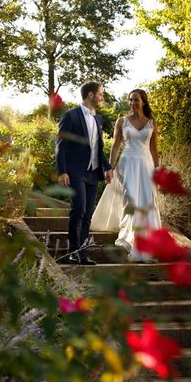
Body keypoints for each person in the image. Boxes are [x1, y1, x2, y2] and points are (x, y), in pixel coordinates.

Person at [90, 88, 161, 262]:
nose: (132, 103)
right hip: (127, 164)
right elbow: (115, 146)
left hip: (146, 166)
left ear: (143, 101)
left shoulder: (152, 123)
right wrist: (110, 168)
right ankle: (129, 240)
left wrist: (158, 169)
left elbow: (153, 149)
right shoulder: (122, 121)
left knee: (146, 203)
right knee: (131, 201)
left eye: (136, 100)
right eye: (130, 100)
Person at [55, 82, 114, 265]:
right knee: (78, 209)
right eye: (100, 94)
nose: (102, 97)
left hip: (92, 173)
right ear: (90, 95)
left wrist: (107, 167)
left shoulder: (98, 119)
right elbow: (61, 146)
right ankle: (71, 252)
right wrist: (62, 171)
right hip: (75, 171)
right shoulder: (71, 116)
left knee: (88, 213)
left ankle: (82, 253)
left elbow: (98, 148)